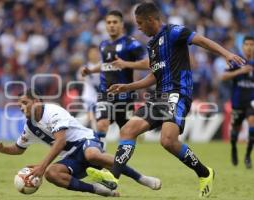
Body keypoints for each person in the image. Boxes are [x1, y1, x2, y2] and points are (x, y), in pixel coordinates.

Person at [86, 2, 245, 198]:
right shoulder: (152, 44)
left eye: (140, 23)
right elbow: (154, 75)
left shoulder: (175, 32)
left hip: (178, 93)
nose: (139, 27)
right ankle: (113, 177)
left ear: (151, 20)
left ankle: (205, 173)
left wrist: (227, 53)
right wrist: (128, 86)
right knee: (128, 130)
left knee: (168, 141)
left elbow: (202, 40)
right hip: (158, 96)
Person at [0, 88, 161, 197]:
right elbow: (18, 148)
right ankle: (98, 189)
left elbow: (60, 142)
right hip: (72, 157)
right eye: (19, 105)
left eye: (24, 103)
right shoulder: (30, 126)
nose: (21, 107)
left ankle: (142, 178)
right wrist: (3, 150)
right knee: (52, 174)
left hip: (87, 141)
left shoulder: (52, 112)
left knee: (91, 154)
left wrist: (41, 165)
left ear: (36, 101)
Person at [81, 10, 148, 145]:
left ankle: (119, 163)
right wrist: (91, 70)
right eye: (109, 22)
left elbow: (148, 64)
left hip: (125, 95)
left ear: (122, 24)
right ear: (105, 25)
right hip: (105, 93)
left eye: (115, 22)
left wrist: (126, 64)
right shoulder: (104, 45)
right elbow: (106, 64)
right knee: (101, 125)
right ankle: (98, 158)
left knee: (127, 132)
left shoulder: (131, 44)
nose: (111, 25)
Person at [220, 35, 254, 169]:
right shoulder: (237, 61)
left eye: (252, 45)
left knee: (252, 124)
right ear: (243, 46)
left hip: (251, 102)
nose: (250, 47)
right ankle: (234, 148)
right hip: (238, 101)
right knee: (235, 130)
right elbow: (223, 77)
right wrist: (240, 71)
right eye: (247, 44)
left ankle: (247, 156)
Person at [79, 45, 101, 130]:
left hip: (101, 97)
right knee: (92, 119)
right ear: (88, 54)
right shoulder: (85, 66)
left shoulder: (103, 66)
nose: (94, 55)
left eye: (96, 52)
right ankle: (97, 139)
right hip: (89, 97)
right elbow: (81, 77)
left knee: (100, 120)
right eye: (92, 53)